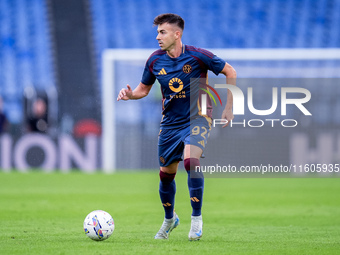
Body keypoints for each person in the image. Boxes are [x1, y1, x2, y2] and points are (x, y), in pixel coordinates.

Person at [117, 13, 236, 241]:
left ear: (176, 34)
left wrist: (229, 107)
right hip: (170, 123)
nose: (157, 37)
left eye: (162, 32)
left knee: (191, 161)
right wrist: (130, 95)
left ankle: (197, 219)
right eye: (157, 32)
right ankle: (170, 219)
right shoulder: (154, 60)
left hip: (199, 117)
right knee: (166, 175)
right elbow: (143, 89)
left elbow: (230, 71)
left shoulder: (199, 56)